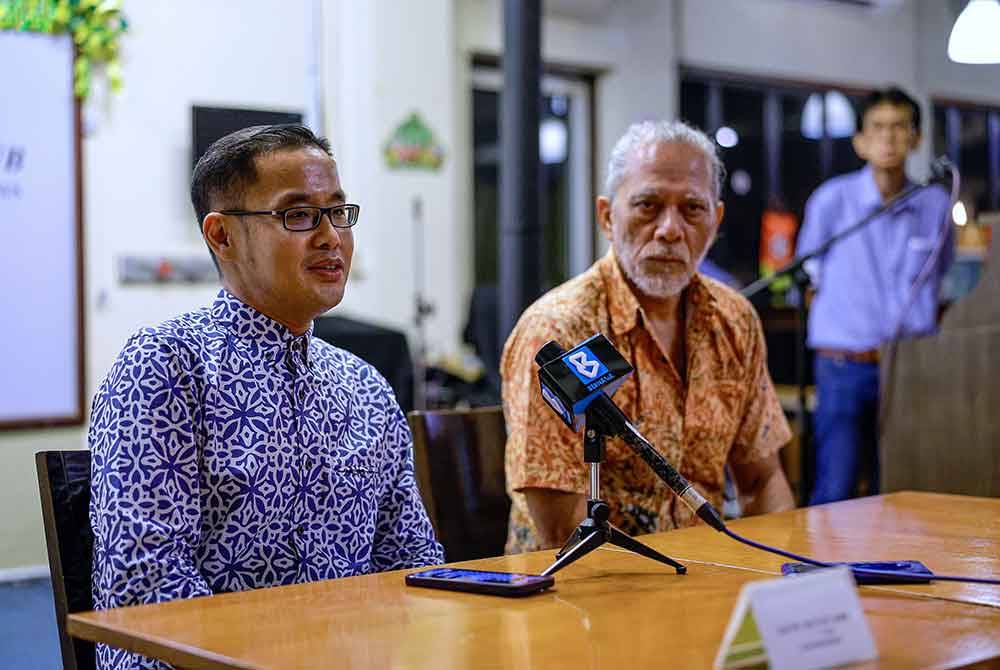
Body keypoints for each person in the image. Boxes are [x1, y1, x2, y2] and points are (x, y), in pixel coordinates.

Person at [89, 124, 443, 669]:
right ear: (222, 236)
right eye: (298, 215)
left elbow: (411, 564)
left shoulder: (366, 387)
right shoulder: (166, 366)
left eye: (338, 212)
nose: (331, 237)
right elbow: (147, 586)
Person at [502, 120, 794, 554]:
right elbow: (563, 532)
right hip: (586, 581)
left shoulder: (734, 321)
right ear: (607, 216)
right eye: (648, 206)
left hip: (705, 573)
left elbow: (763, 480)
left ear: (716, 220)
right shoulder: (558, 333)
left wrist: (781, 571)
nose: (670, 230)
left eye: (692, 209)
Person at [797, 86, 953, 505]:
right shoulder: (832, 200)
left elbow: (942, 275)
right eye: (878, 127)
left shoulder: (935, 204)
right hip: (843, 365)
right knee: (837, 487)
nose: (888, 137)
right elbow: (808, 277)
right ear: (860, 141)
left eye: (899, 127)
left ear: (916, 138)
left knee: (905, 491)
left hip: (910, 366)